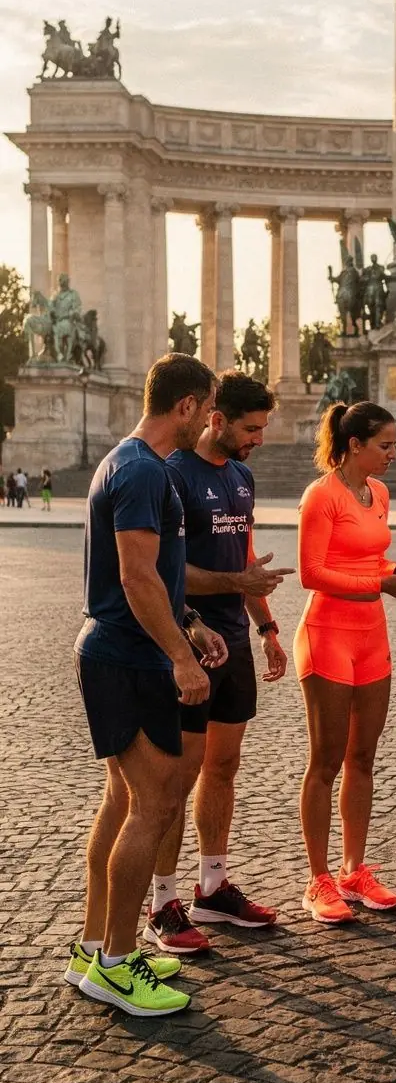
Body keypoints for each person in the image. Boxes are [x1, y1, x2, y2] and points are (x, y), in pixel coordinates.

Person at [68, 353, 228, 1017]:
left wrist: (188, 622)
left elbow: (154, 578)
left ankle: (94, 946)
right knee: (153, 806)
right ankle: (115, 962)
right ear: (185, 407)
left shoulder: (134, 464)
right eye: (207, 407)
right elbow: (136, 577)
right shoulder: (140, 472)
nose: (209, 422)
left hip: (124, 649)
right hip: (127, 656)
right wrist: (181, 660)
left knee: (122, 800)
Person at [145, 371, 291, 953]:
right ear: (216, 419)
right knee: (176, 779)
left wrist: (268, 626)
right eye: (250, 429)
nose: (257, 439)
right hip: (190, 640)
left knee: (223, 769)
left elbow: (245, 558)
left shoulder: (242, 475)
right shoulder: (174, 475)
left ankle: (212, 885)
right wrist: (223, 595)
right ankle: (162, 900)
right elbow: (160, 571)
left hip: (234, 636)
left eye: (262, 429)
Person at [295, 401, 396, 925]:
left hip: (371, 634)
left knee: (363, 759)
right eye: (385, 446)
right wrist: (383, 582)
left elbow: (371, 561)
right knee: (326, 761)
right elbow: (313, 573)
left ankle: (353, 871)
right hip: (327, 634)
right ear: (354, 445)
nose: (393, 455)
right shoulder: (321, 495)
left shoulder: (376, 493)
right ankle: (318, 880)